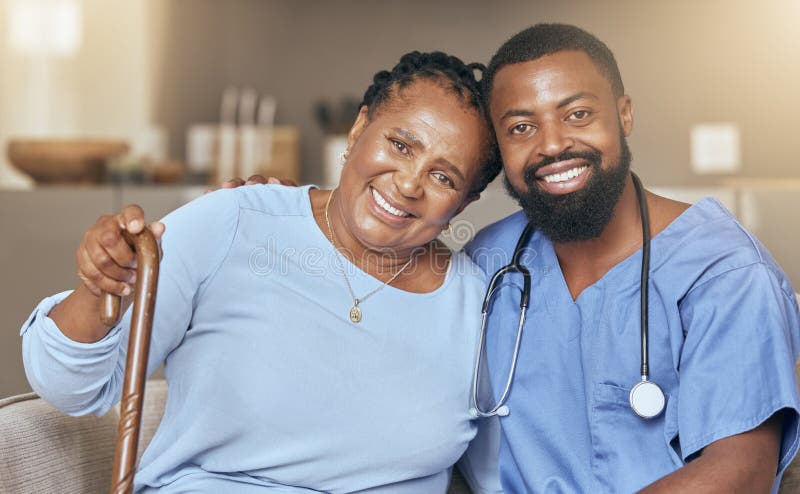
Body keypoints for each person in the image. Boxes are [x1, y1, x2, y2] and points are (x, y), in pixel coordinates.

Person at [20, 52, 505, 493]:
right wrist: (97, 289)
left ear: (466, 201)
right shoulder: (235, 221)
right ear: (359, 130)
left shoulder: (480, 305)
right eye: (400, 145)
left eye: (444, 177)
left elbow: (500, 469)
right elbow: (70, 387)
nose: (408, 183)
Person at [464, 24, 800, 492]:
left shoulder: (725, 271)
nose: (553, 144)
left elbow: (740, 472)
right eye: (521, 127)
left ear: (624, 115)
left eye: (577, 114)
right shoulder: (486, 263)